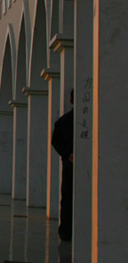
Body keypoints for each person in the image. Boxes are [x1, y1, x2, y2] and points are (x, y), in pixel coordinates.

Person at [51, 90, 74, 242]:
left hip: (69, 164)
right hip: (71, 164)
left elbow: (55, 141)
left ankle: (66, 231)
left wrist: (66, 155)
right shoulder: (64, 122)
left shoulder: (63, 121)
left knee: (67, 198)